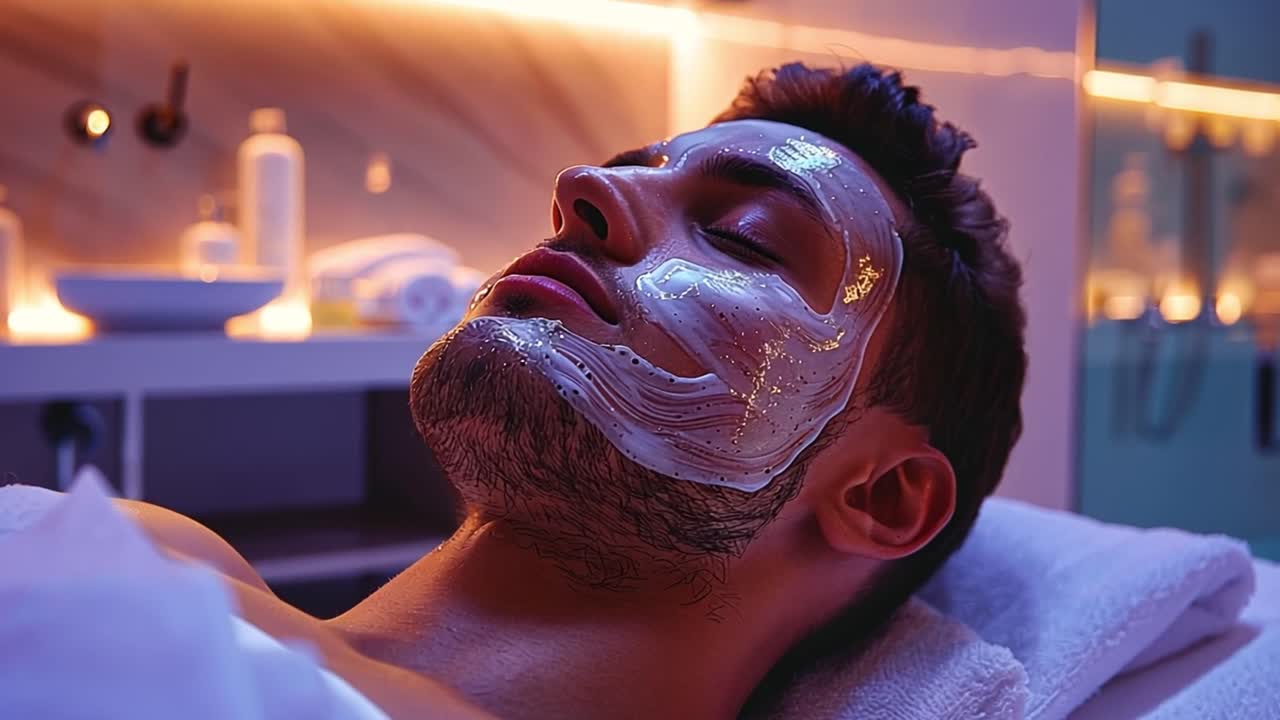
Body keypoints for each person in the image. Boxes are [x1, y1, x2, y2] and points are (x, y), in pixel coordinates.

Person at [121, 61, 1027, 719]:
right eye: (628, 170)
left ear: (881, 496)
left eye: (746, 237)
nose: (581, 188)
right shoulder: (137, 558)